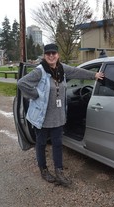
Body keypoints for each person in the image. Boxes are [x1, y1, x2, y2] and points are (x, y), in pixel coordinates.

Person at [17, 43, 104, 186]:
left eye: (54, 53)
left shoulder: (62, 69)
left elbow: (77, 72)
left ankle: (59, 171)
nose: (51, 56)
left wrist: (94, 75)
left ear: (58, 55)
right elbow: (22, 83)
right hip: (43, 116)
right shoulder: (40, 71)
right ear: (44, 56)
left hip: (58, 116)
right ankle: (43, 170)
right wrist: (36, 95)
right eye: (48, 54)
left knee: (57, 144)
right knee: (41, 143)